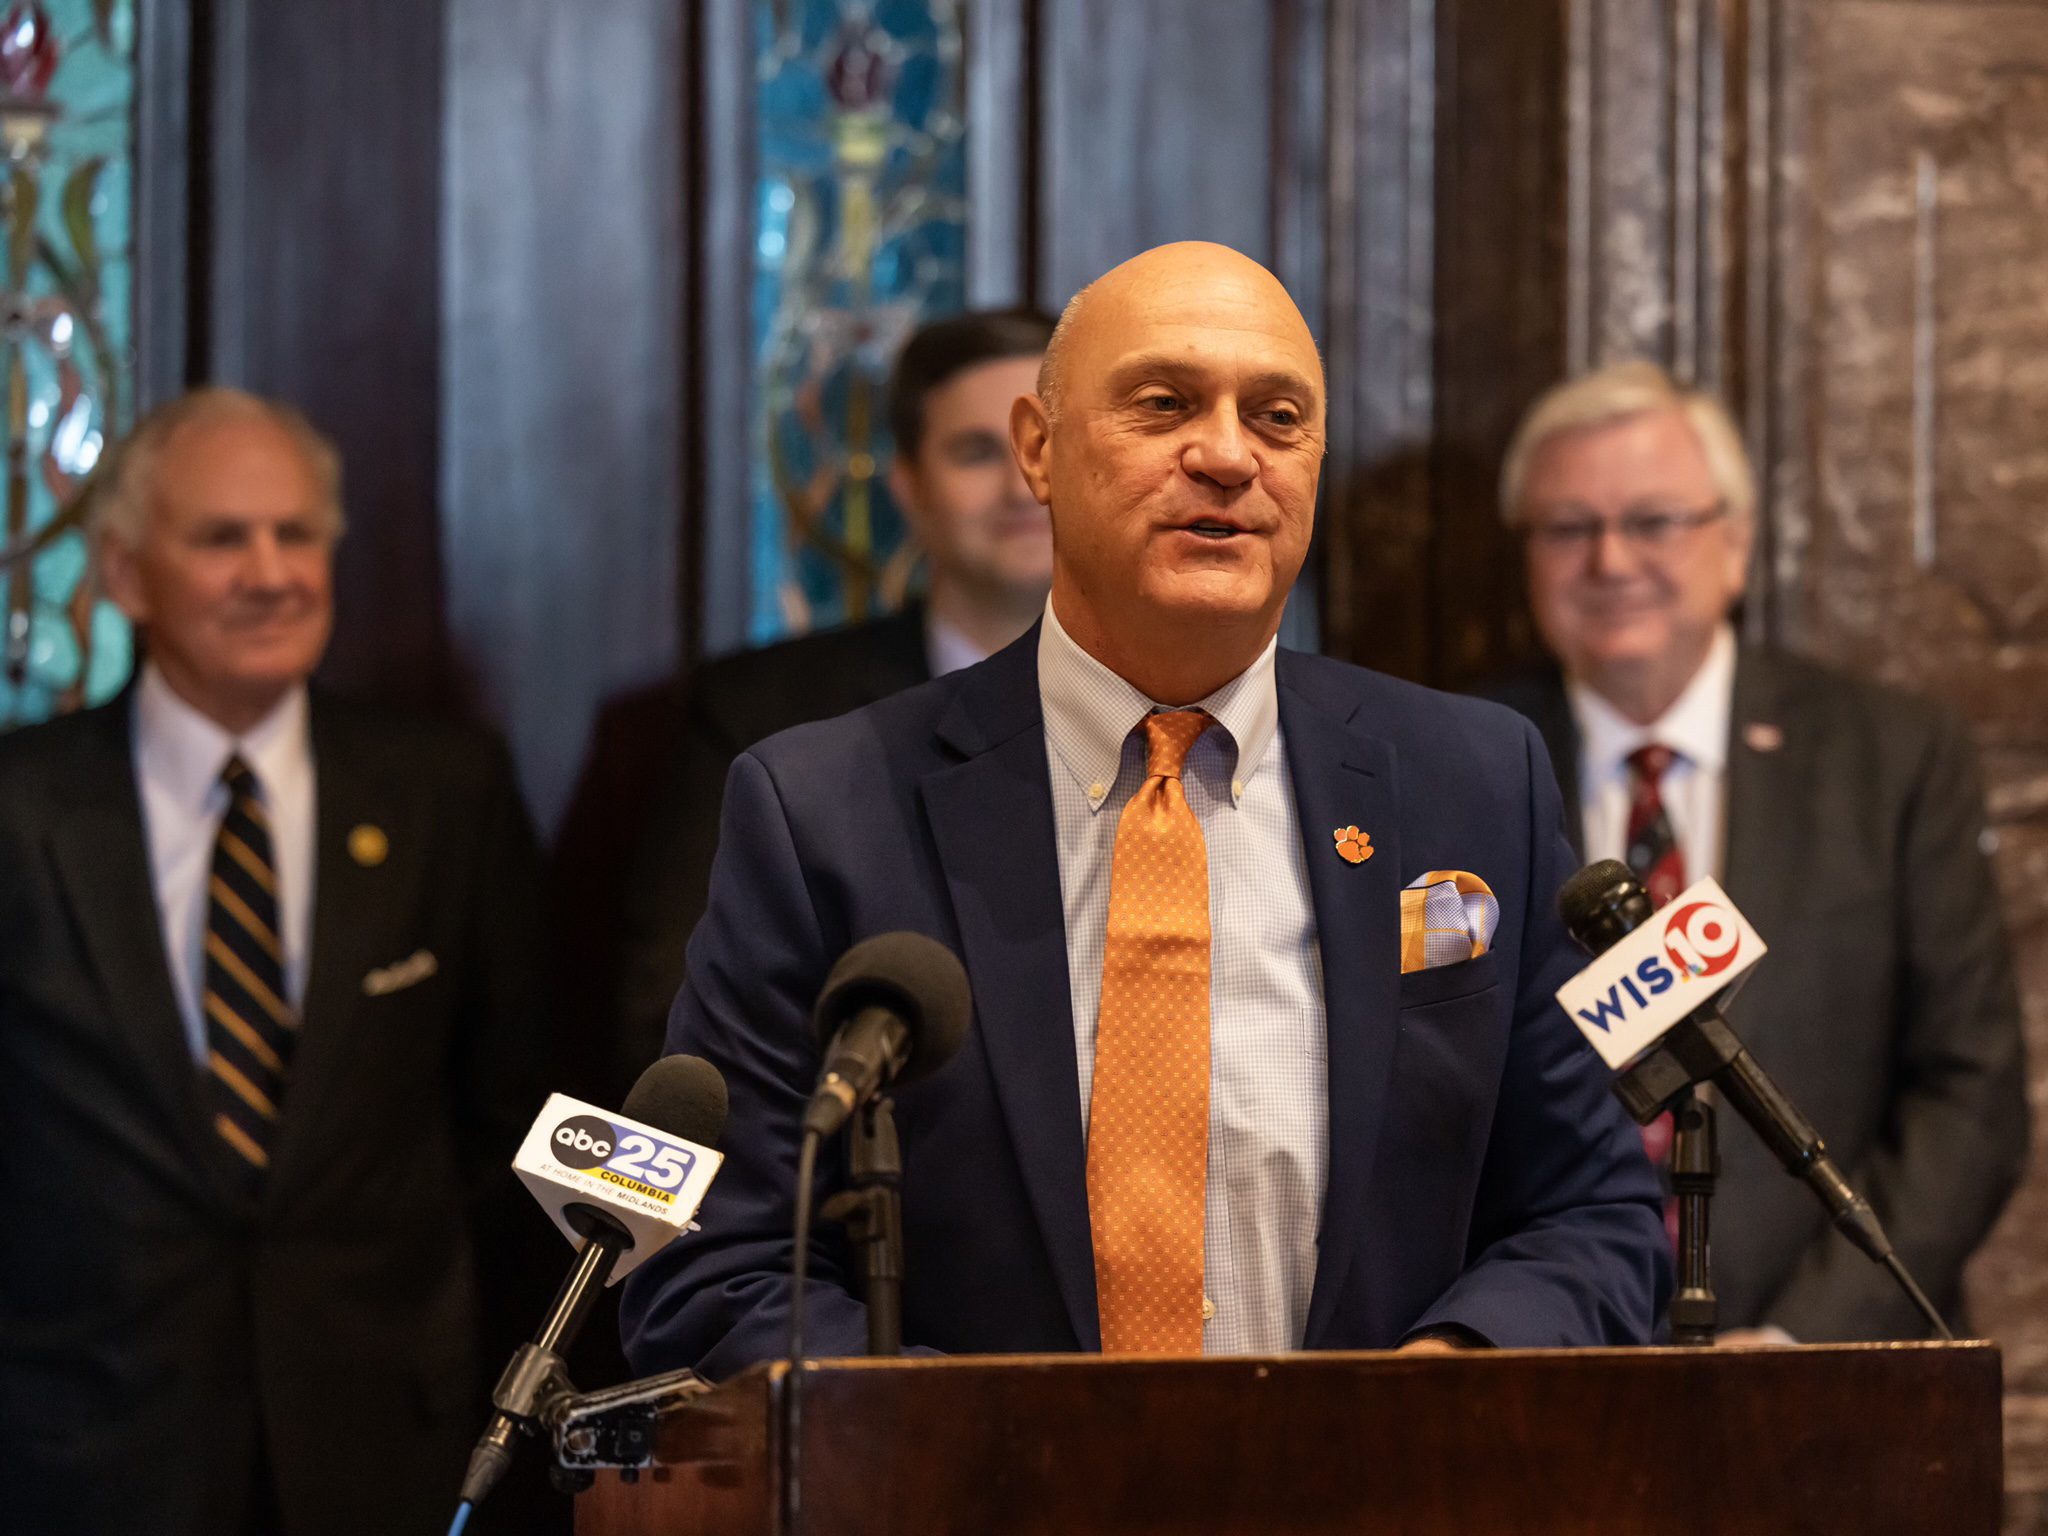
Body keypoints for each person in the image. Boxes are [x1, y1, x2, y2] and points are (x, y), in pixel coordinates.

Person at [620, 242, 1667, 1379]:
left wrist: (1444, 1385)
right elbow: (717, 1265)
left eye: (1275, 419)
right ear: (1039, 450)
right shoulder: (823, 811)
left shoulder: (1470, 782)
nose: (1224, 456)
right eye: (1162, 404)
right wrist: (960, 1459)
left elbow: (1592, 1210)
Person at [0, 389, 553, 1534]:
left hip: (385, 1452)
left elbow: (514, 1112)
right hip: (83, 1450)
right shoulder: (20, 807)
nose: (272, 572)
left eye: (296, 534)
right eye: (221, 538)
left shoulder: (445, 792)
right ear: (124, 574)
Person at [1485, 361, 2027, 1342]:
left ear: (1732, 544)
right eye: (1567, 528)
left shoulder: (1891, 758)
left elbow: (1969, 1095)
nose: (1608, 561)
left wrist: (1796, 1347)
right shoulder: (1464, 761)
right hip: (1547, 1373)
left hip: (1829, 1380)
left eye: (1651, 522)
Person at [613, 307, 1057, 1084]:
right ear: (910, 487)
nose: (1021, 485)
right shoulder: (761, 713)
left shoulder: (1195, 704)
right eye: (975, 452)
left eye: (1047, 449)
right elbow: (679, 1019)